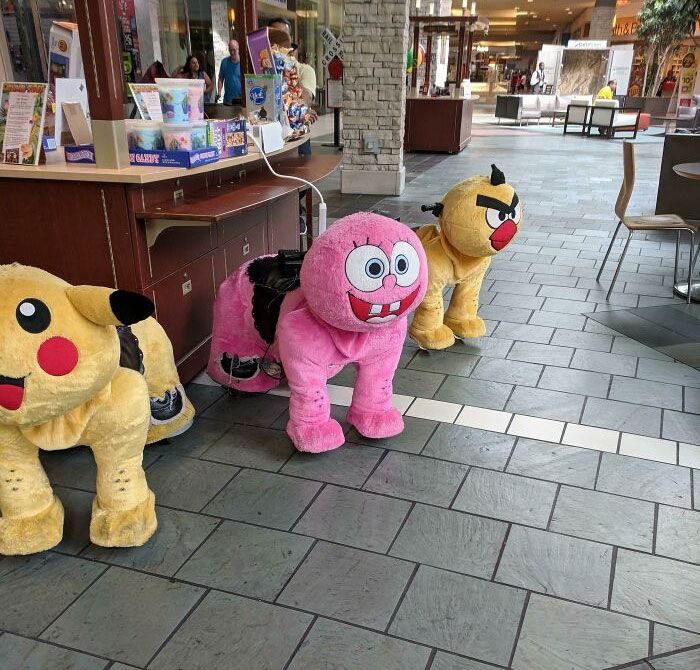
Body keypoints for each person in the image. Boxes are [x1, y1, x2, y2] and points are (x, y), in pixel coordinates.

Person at [217, 40, 242, 104]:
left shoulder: (244, 63)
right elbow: (220, 78)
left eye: (234, 50)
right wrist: (219, 92)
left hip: (241, 100)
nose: (232, 52)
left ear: (238, 49)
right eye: (230, 50)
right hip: (228, 100)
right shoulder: (224, 62)